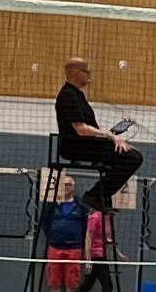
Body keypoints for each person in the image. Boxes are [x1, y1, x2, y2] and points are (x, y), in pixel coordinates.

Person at [54, 57, 143, 213]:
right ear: (75, 73)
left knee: (129, 153)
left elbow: (89, 127)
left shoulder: (78, 95)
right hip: (76, 147)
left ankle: (101, 195)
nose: (89, 74)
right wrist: (111, 136)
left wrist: (111, 136)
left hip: (86, 144)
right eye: (86, 71)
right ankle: (94, 195)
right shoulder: (67, 95)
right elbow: (81, 129)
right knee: (132, 158)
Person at [42, 174, 88, 292]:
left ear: (74, 187)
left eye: (69, 185)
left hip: (74, 249)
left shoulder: (81, 206)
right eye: (64, 185)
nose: (67, 188)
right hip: (55, 247)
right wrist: (52, 236)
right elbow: (45, 222)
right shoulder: (52, 205)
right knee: (54, 280)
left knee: (72, 281)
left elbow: (87, 226)